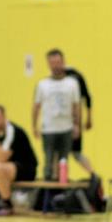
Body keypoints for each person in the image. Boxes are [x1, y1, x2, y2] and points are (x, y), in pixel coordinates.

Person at [32, 49, 81, 181]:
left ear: (63, 62)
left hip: (66, 127)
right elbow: (36, 106)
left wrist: (77, 125)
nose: (55, 65)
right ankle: (48, 191)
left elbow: (76, 105)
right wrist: (34, 125)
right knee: (48, 161)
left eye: (58, 62)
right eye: (52, 63)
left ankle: (61, 191)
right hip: (49, 128)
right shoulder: (42, 85)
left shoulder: (72, 83)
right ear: (48, 64)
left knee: (63, 161)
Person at [64, 59, 96, 175]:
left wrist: (87, 118)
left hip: (72, 119)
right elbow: (87, 98)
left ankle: (93, 174)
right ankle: (93, 174)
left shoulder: (73, 77)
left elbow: (86, 97)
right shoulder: (55, 79)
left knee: (73, 152)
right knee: (71, 153)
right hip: (65, 120)